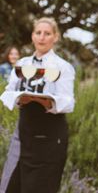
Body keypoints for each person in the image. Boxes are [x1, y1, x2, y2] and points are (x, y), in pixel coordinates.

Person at [0, 17, 75, 193]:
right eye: (38, 33)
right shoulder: (22, 64)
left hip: (50, 139)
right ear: (33, 36)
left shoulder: (63, 67)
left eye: (47, 33)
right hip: (24, 135)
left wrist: (47, 102)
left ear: (55, 37)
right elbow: (8, 91)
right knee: (12, 187)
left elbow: (69, 102)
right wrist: (19, 99)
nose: (42, 37)